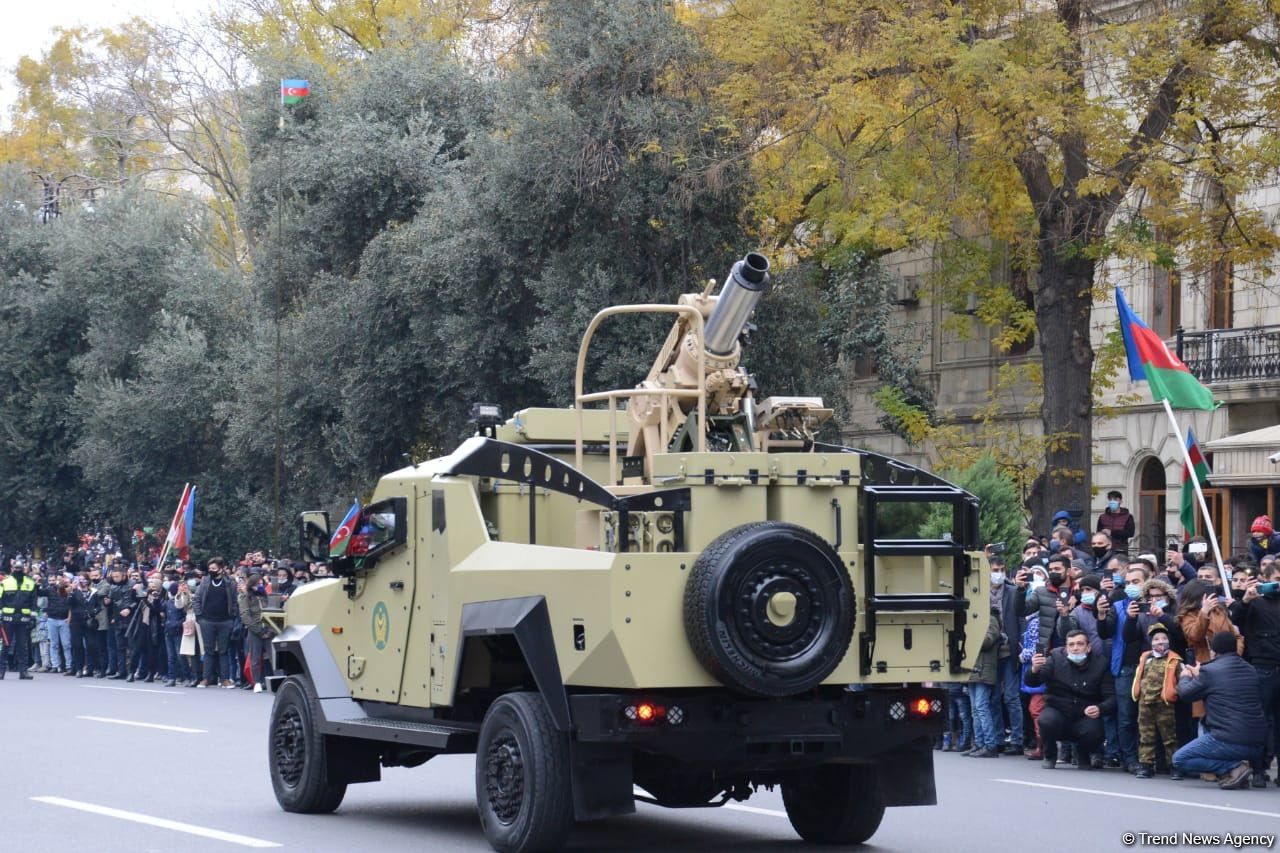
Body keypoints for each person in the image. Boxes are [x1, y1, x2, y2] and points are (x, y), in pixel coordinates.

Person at [1173, 631, 1268, 789]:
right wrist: (1201, 676)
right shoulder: (1251, 669)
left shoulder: (1210, 671)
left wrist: (1185, 677)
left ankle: (1233, 768)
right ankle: (1236, 772)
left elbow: (1185, 694)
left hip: (1229, 740)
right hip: (1257, 744)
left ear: (1214, 651)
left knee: (1179, 759)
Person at [1025, 629, 1116, 770]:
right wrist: (1035, 669)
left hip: (1084, 714)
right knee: (1045, 720)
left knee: (1095, 730)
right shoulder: (1055, 657)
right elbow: (1032, 682)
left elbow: (1111, 697)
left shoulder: (1101, 664)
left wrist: (1100, 709)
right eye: (1071, 645)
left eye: (1080, 644)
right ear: (1066, 648)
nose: (1075, 648)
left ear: (1088, 647)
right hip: (1058, 711)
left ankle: (1082, 754)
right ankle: (1050, 755)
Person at [1235, 565, 1280, 787]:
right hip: (1263, 667)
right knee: (1260, 721)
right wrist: (1246, 599)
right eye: (1277, 578)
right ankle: (1259, 769)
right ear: (1265, 578)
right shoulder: (1254, 601)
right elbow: (1236, 619)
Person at [1133, 623, 1183, 779]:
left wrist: (1174, 692)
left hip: (1164, 704)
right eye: (1156, 639)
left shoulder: (1174, 660)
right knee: (1146, 736)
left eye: (1163, 638)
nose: (1160, 641)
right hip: (1145, 703)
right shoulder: (1145, 658)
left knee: (1169, 737)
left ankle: (1174, 765)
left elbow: (1182, 681)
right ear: (1151, 642)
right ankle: (1146, 765)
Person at [990, 555, 1024, 754]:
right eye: (995, 570)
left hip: (1010, 651)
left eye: (1002, 570)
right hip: (990, 654)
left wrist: (1021, 646)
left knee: (1011, 697)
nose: (999, 574)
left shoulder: (1012, 591)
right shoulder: (980, 593)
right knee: (993, 698)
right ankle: (998, 738)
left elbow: (1021, 619)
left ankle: (1018, 740)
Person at [193, 557, 237, 688]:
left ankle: (225, 679)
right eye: (210, 568)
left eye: (214, 568)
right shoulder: (205, 582)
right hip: (207, 621)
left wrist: (232, 617)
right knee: (208, 651)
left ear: (221, 569)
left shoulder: (230, 583)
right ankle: (206, 678)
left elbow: (234, 601)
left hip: (225, 621)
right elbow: (196, 599)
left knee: (223, 651)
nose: (211, 570)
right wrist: (199, 616)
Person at [966, 605, 1003, 757]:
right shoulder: (974, 620)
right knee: (975, 710)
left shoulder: (991, 619)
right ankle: (979, 744)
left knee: (981, 707)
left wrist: (969, 633)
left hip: (984, 669)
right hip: (974, 669)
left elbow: (987, 642)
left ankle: (990, 745)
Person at [0, 560, 38, 679]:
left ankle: (23, 672)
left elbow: (33, 602)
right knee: (6, 646)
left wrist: (33, 617)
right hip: (8, 618)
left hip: (23, 619)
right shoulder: (5, 582)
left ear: (23, 569)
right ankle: (1, 671)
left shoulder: (30, 583)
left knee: (23, 646)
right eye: (16, 568)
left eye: (20, 568)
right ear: (12, 569)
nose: (18, 570)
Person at [238, 572, 272, 694]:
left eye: (262, 583)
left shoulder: (267, 597)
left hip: (269, 630)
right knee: (255, 658)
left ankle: (278, 680)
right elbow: (245, 616)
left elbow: (273, 612)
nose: (260, 586)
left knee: (273, 657)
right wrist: (258, 630)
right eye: (257, 584)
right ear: (251, 585)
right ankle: (257, 682)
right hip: (255, 631)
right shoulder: (245, 598)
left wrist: (270, 630)